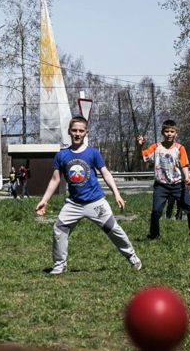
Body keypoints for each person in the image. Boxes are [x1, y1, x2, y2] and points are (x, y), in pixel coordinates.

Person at [35, 116, 142, 274]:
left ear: (86, 133)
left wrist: (117, 195)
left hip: (96, 202)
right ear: (69, 132)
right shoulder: (61, 155)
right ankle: (59, 265)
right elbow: (55, 179)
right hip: (74, 204)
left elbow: (106, 174)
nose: (77, 133)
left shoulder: (93, 153)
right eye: (74, 130)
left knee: (113, 229)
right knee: (59, 229)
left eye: (81, 130)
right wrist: (44, 201)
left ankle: (133, 258)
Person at [137, 119, 190, 243]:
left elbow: (184, 165)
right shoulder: (156, 147)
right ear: (162, 132)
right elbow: (143, 157)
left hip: (178, 184)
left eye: (172, 131)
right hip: (161, 186)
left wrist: (187, 176)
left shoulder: (180, 148)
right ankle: (154, 235)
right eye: (167, 131)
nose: (169, 134)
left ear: (176, 133)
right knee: (156, 211)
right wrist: (140, 146)